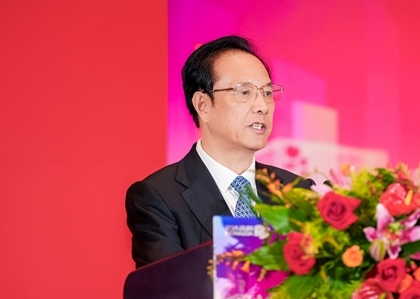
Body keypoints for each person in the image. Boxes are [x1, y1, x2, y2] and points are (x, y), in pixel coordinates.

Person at [125, 35, 314, 268]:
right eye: (244, 92)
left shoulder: (296, 191)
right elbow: (168, 287)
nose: (262, 107)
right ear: (203, 105)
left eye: (266, 93)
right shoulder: (159, 197)